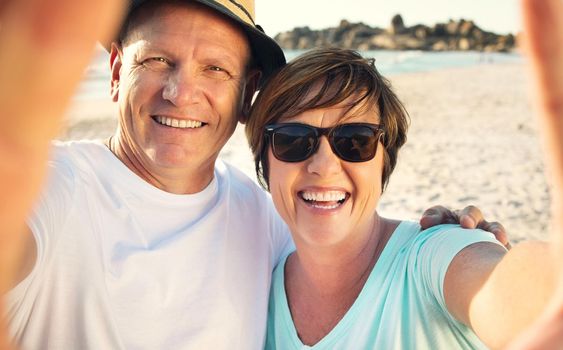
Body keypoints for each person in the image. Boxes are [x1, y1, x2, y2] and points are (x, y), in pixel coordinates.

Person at [0, 0, 511, 349]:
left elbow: (347, 225)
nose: (181, 93)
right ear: (115, 72)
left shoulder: (261, 217)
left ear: (248, 94)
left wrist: (454, 236)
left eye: (214, 69)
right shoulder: (51, 187)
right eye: (158, 60)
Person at [244, 0, 563, 347]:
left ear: (385, 159)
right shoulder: (259, 296)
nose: (323, 165)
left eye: (355, 140)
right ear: (264, 160)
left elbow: (505, 290)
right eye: (293, 141)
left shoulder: (434, 257)